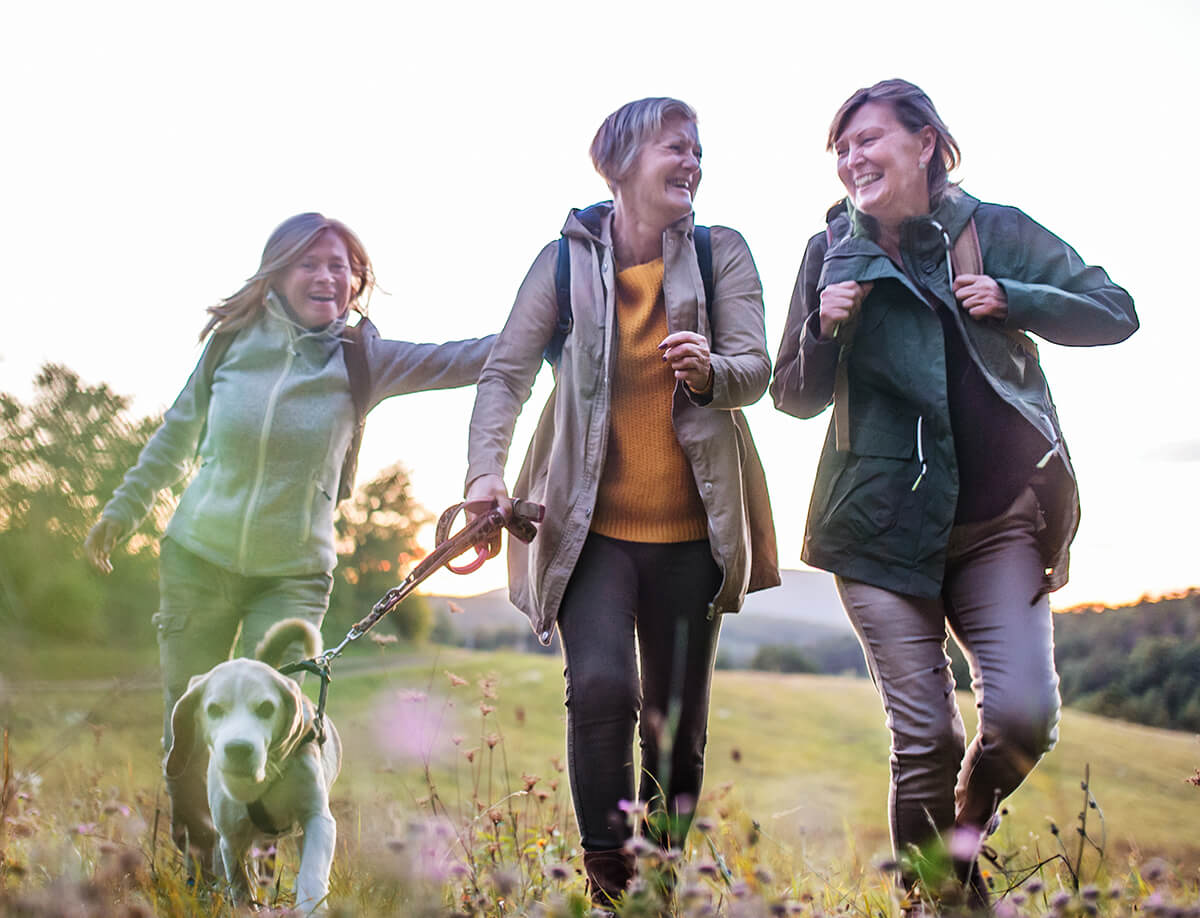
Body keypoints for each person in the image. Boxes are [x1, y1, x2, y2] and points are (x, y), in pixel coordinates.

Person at [771, 79, 1137, 909]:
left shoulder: (994, 232)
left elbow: (1115, 310)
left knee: (1021, 720)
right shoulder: (828, 248)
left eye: (868, 139)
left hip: (998, 530)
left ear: (926, 141)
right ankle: (935, 899)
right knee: (927, 739)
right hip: (877, 533)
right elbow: (791, 396)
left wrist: (1016, 299)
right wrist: (821, 327)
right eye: (842, 148)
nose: (852, 158)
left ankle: (960, 840)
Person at [84, 212, 495, 870]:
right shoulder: (232, 341)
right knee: (187, 726)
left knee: (283, 713)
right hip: (197, 559)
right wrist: (125, 505)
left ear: (356, 282)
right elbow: (178, 430)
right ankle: (203, 866)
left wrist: (556, 321)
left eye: (341, 266)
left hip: (294, 573)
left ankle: (268, 849)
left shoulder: (364, 358)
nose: (327, 275)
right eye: (310, 262)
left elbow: (466, 357)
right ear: (278, 273)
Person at [464, 97, 778, 906]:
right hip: (588, 529)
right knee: (603, 689)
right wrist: (483, 475)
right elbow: (506, 372)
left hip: (692, 531)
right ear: (620, 163)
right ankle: (612, 886)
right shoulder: (562, 264)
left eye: (699, 150)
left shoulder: (721, 254)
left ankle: (660, 888)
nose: (693, 162)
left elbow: (756, 366)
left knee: (678, 729)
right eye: (676, 147)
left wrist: (711, 369)